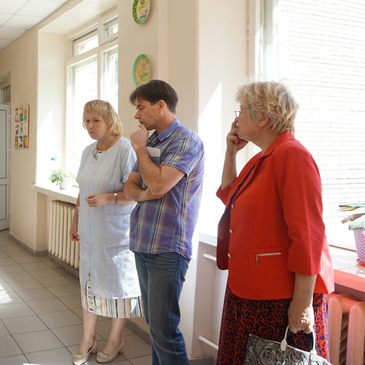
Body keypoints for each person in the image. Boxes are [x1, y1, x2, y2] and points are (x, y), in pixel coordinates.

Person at [216, 81, 334, 364]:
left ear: (262, 118)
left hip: (277, 297)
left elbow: (308, 235)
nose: (237, 118)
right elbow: (229, 195)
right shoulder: (262, 158)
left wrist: (302, 305)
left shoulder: (292, 155)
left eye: (242, 111)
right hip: (249, 288)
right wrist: (231, 152)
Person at [124, 79, 204, 365]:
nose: (136, 116)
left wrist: (139, 149)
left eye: (140, 108)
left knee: (164, 330)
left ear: (161, 105)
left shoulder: (186, 140)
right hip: (143, 242)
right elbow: (130, 187)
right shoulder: (153, 141)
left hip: (168, 247)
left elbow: (158, 185)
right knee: (155, 327)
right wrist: (145, 193)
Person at [69, 100, 143, 365]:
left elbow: (136, 193)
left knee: (118, 287)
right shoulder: (88, 151)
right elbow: (82, 189)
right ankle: (88, 339)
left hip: (115, 234)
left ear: (110, 121)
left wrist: (108, 198)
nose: (90, 126)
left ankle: (115, 339)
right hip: (90, 232)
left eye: (95, 120)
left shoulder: (125, 150)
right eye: (87, 121)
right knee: (88, 284)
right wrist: (76, 218)